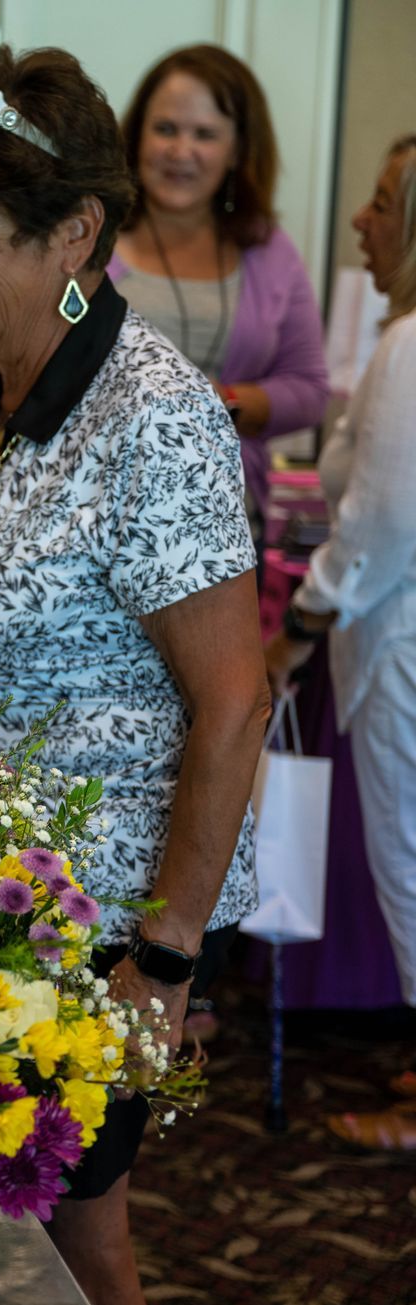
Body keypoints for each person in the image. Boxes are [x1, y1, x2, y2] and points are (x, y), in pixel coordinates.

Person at [0, 48, 267, 1305]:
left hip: (97, 926)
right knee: (48, 1233)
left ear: (75, 232)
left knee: (47, 1233)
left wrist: (164, 956)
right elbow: (8, 588)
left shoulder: (151, 416)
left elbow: (233, 703)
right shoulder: (5, 382)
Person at [266, 135, 416, 1150]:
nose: (360, 220)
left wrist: (302, 624)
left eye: (379, 201)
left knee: (411, 861)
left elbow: (378, 524)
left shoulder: (411, 346)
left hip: (399, 643)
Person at [110, 44, 329, 524]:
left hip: (224, 522)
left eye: (204, 134)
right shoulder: (89, 237)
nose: (180, 151)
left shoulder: (270, 251)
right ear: (136, 136)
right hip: (95, 515)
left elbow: (310, 390)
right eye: (165, 128)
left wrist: (219, 401)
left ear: (237, 151)